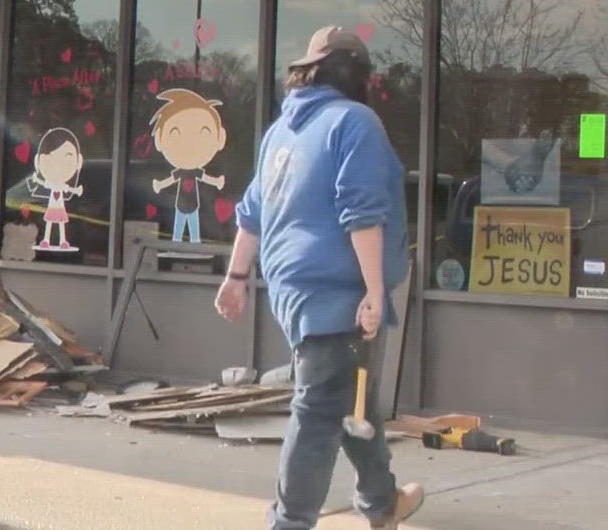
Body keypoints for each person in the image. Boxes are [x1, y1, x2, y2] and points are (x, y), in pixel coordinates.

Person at [215, 26, 420, 530]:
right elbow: (362, 214)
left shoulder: (281, 130)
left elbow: (252, 213)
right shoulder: (356, 122)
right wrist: (374, 292)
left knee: (354, 400)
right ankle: (289, 523)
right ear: (356, 76)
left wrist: (237, 275)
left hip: (292, 292)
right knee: (318, 415)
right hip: (338, 295)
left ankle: (381, 502)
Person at [150, 88, 228, 244]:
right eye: (175, 133)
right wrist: (159, 185)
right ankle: (177, 245)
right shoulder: (181, 171)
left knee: (193, 226)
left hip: (192, 204)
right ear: (159, 139)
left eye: (203, 134)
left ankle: (194, 246)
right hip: (181, 204)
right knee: (179, 226)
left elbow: (205, 178)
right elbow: (171, 180)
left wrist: (217, 182)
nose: (189, 145)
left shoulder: (194, 171)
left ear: (220, 139)